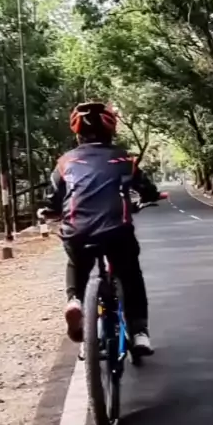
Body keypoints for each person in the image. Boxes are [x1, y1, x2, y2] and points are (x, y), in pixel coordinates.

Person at [43, 101, 159, 355]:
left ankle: (75, 302)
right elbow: (147, 189)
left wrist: (51, 211)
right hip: (117, 231)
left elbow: (52, 199)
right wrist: (151, 197)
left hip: (77, 232)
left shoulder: (64, 162)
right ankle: (139, 332)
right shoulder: (124, 159)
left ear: (77, 133)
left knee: (77, 263)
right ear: (111, 130)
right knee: (130, 274)